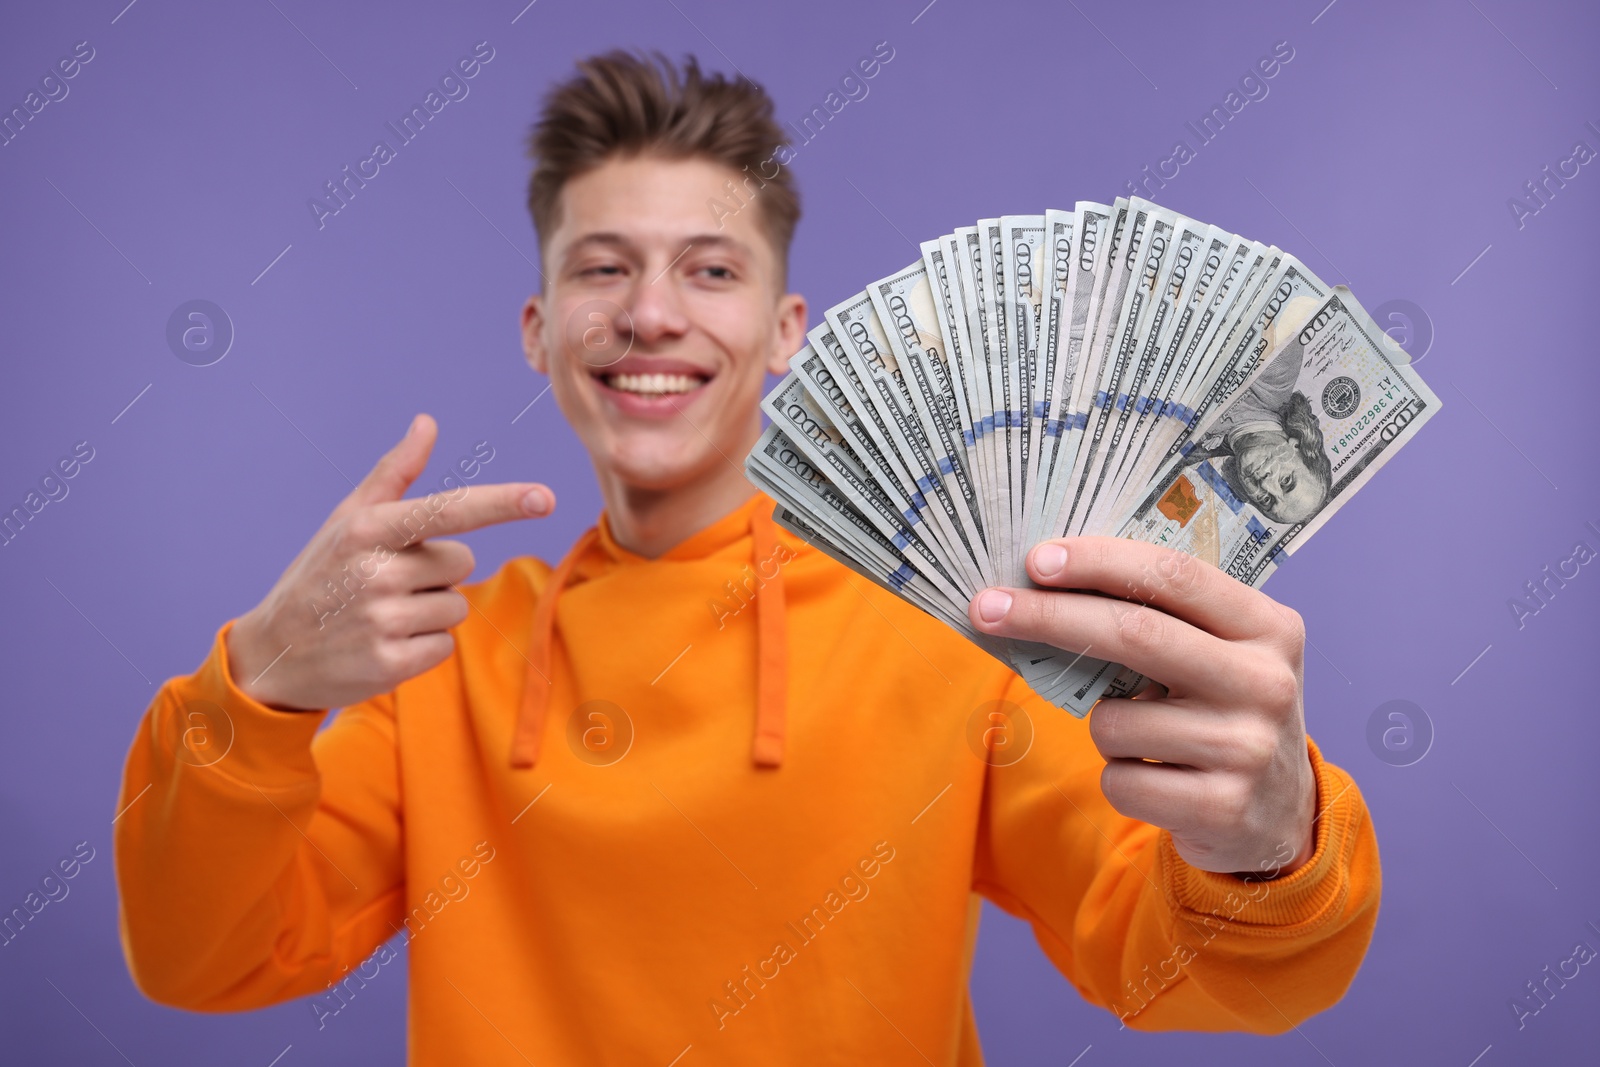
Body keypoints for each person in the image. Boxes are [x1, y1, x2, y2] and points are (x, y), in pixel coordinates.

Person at [114, 51, 1379, 1063]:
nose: (651, 311)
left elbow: (1191, 973)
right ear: (539, 330)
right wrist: (259, 685)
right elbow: (203, 956)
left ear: (785, 334)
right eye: (601, 267)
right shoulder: (446, 656)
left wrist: (1271, 844)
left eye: (709, 270)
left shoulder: (950, 621)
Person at [1180, 342, 1333, 524]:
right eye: (1285, 481)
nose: (1265, 484)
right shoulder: (1280, 368)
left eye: (1266, 500)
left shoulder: (1186, 453)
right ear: (1297, 445)